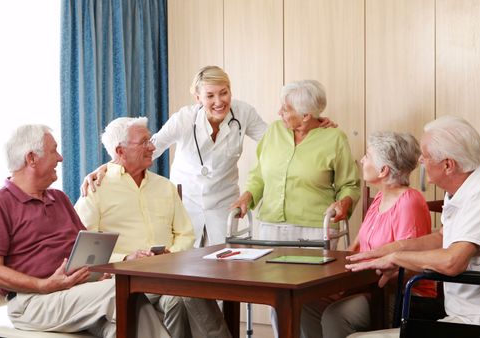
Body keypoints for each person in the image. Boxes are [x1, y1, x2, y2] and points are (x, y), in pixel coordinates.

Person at [82, 66, 335, 247]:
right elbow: (149, 147)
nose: (218, 101)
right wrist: (106, 167)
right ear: (198, 97)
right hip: (186, 205)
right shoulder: (184, 119)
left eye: (223, 93)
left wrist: (311, 120)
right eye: (210, 95)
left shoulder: (243, 113)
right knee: (188, 272)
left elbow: (276, 142)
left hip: (224, 204)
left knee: (224, 272)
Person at [0, 124, 169, 337]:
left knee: (123, 324)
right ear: (31, 158)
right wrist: (44, 285)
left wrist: (104, 269)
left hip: (76, 293)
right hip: (32, 301)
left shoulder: (59, 199)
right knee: (122, 294)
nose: (60, 158)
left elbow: (86, 251)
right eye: (53, 151)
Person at [345, 116, 480, 337]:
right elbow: (442, 238)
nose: (421, 163)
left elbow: (453, 261)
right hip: (467, 314)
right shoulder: (465, 189)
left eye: (425, 157)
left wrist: (397, 258)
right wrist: (393, 248)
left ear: (448, 165)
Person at [74, 117, 231, 338]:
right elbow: (85, 250)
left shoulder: (165, 187)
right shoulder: (95, 189)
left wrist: (169, 257)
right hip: (125, 282)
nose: (152, 146)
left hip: (169, 274)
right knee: (189, 292)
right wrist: (126, 258)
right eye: (144, 141)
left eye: (151, 140)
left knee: (181, 297)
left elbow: (185, 233)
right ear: (120, 150)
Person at [230, 79, 361, 337]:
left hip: (312, 230)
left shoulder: (334, 138)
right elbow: (259, 175)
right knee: (276, 298)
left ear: (306, 115)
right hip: (271, 227)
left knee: (309, 299)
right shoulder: (274, 132)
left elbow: (350, 185)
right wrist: (247, 196)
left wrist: (344, 203)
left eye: (286, 108)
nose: (280, 112)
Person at [299, 131, 435, 338]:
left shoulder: (409, 201)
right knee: (306, 304)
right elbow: (356, 247)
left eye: (367, 156)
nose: (361, 160)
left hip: (402, 294)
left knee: (336, 315)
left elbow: (406, 266)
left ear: (383, 170)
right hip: (367, 286)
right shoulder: (380, 197)